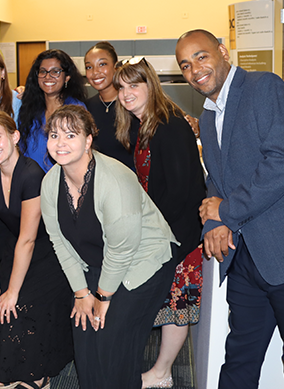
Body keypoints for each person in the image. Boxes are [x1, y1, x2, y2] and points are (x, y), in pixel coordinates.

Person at [175, 29, 284, 389]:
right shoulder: (207, 114)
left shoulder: (263, 86)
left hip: (278, 251)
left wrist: (228, 213)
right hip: (243, 259)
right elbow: (216, 184)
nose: (195, 70)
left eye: (201, 57)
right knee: (239, 358)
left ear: (222, 52)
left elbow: (279, 161)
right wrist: (214, 226)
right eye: (185, 65)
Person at [41, 105, 178, 389]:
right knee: (84, 329)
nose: (60, 143)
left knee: (111, 336)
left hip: (144, 260)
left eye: (70, 135)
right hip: (100, 260)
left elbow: (123, 248)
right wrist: (81, 293)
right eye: (54, 135)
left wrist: (102, 298)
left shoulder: (114, 179)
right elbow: (59, 241)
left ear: (88, 139)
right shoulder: (50, 182)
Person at [113, 57, 206, 388]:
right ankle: (158, 370)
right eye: (121, 87)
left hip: (178, 234)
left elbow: (182, 191)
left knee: (178, 303)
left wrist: (156, 235)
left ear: (150, 84)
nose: (126, 94)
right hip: (161, 230)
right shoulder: (142, 125)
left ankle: (163, 372)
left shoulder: (170, 124)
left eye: (134, 85)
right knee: (167, 303)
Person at [0, 111, 73, 389]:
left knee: (20, 301)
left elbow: (29, 239)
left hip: (47, 251)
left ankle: (37, 372)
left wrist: (12, 290)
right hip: (13, 246)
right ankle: (10, 367)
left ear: (14, 137)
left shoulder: (31, 174)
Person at [18, 49, 86, 172]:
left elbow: (82, 153)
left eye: (55, 71)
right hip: (32, 183)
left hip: (65, 181)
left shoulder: (76, 109)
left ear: (67, 78)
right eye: (43, 71)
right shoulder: (29, 108)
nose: (48, 76)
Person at [83, 42, 135, 169]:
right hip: (98, 183)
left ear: (116, 67)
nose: (95, 72)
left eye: (102, 64)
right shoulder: (86, 107)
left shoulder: (132, 104)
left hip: (131, 182)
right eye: (89, 67)